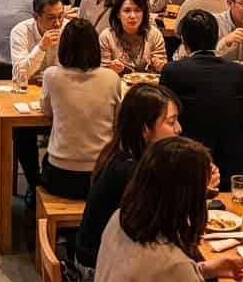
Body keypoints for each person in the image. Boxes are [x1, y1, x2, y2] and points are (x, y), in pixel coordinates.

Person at [94, 137, 243, 282]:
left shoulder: (119, 218)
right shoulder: (173, 265)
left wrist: (205, 270)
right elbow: (167, 270)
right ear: (186, 199)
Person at [74, 84, 183, 271]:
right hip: (100, 268)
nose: (179, 129)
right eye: (171, 122)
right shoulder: (128, 172)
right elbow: (165, 227)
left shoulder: (121, 152)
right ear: (145, 129)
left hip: (103, 258)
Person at [160, 11, 243, 188]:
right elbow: (241, 113)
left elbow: (166, 120)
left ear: (184, 42)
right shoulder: (238, 72)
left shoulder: (172, 71)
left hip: (184, 164)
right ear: (217, 37)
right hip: (234, 164)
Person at [40, 19, 123, 199]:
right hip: (100, 175)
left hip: (59, 174)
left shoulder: (52, 76)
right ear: (95, 47)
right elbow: (117, 121)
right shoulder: (111, 78)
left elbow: (46, 111)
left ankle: (33, 196)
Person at [99, 0, 167, 74]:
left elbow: (162, 68)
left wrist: (158, 66)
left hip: (147, 85)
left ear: (144, 13)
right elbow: (102, 72)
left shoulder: (154, 34)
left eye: (137, 10)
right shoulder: (107, 36)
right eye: (127, 11)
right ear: (118, 14)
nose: (133, 16)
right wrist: (112, 69)